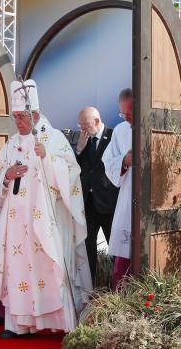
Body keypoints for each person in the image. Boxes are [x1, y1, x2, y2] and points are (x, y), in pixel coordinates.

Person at [0, 79, 92, 338]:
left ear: (35, 114)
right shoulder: (12, 143)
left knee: (50, 266)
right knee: (19, 270)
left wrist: (48, 158)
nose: (18, 122)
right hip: (16, 223)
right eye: (15, 117)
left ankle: (65, 324)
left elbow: (72, 173)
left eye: (22, 117)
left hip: (46, 220)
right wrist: (6, 175)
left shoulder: (54, 138)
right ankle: (19, 325)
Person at [74, 107, 119, 285]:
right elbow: (75, 169)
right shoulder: (83, 140)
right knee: (88, 248)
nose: (83, 129)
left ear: (97, 121)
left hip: (109, 203)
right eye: (80, 125)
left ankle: (119, 288)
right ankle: (89, 289)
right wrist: (78, 150)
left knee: (114, 248)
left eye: (86, 125)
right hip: (89, 203)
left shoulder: (113, 136)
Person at [102, 89, 133, 289]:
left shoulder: (155, 126)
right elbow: (107, 161)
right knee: (124, 257)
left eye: (130, 114)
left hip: (150, 199)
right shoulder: (121, 131)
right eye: (123, 114)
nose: (127, 118)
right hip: (128, 198)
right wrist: (124, 160)